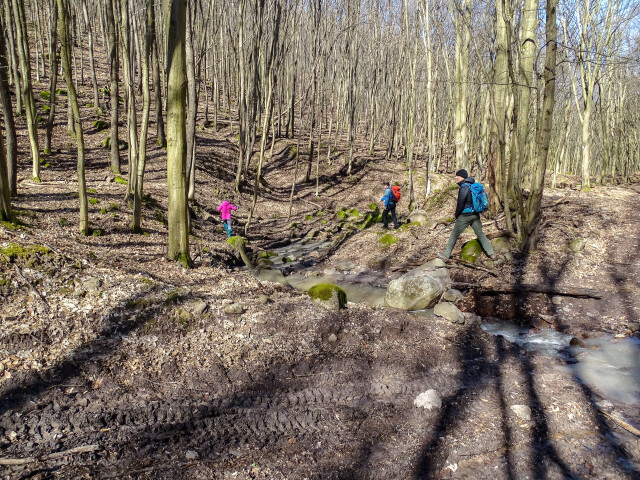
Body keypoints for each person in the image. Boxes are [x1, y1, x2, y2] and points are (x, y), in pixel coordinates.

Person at [441, 169, 494, 259]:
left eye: (457, 176)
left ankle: (446, 255)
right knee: (480, 234)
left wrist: (457, 214)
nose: (456, 177)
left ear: (461, 176)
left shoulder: (464, 187)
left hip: (465, 215)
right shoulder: (472, 185)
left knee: (454, 234)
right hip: (475, 215)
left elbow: (461, 203)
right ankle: (492, 253)